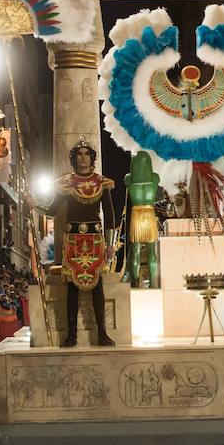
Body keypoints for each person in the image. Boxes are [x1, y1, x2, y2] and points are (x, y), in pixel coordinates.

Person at [39, 136, 116, 347]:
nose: (83, 158)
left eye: (87, 154)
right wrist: (34, 203)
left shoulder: (102, 183)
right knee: (72, 286)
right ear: (75, 159)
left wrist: (110, 244)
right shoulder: (66, 183)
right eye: (79, 154)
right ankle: (71, 335)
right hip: (72, 240)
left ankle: (102, 334)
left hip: (96, 240)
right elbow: (52, 210)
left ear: (92, 158)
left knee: (97, 287)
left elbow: (110, 215)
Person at [122, 151, 162, 288]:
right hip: (150, 213)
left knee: (136, 250)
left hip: (136, 213)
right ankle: (153, 282)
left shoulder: (129, 179)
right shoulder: (155, 178)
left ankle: (136, 282)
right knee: (151, 250)